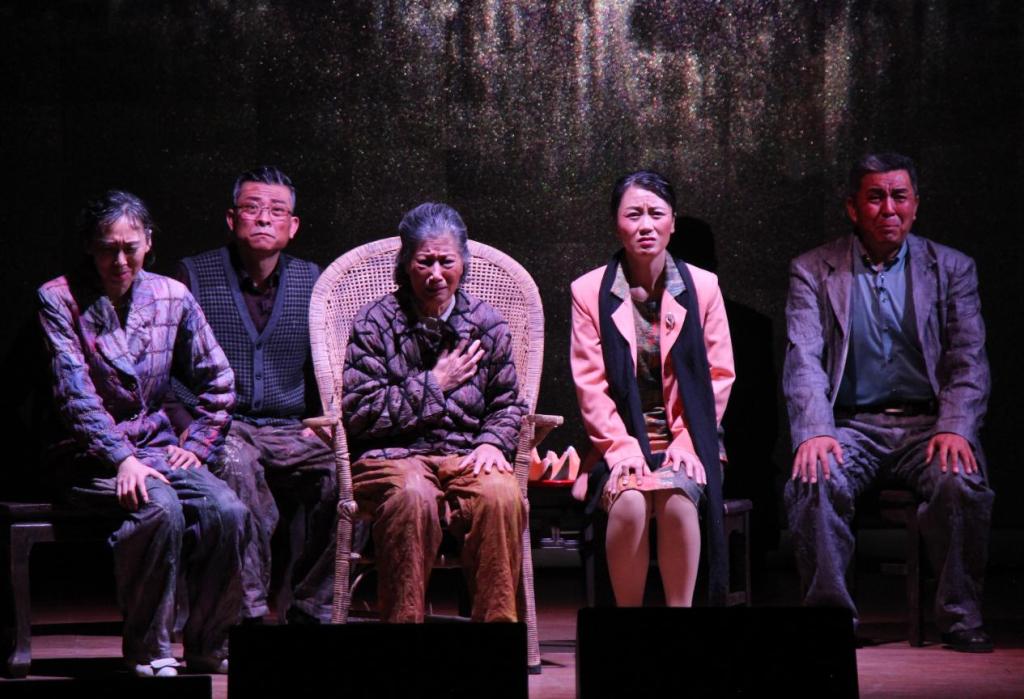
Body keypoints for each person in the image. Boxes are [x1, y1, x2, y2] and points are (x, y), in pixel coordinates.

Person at [784, 153, 995, 652]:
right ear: (853, 208)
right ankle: (830, 620)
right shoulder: (813, 270)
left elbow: (968, 359)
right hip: (851, 426)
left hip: (929, 425)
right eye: (875, 197)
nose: (889, 208)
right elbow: (803, 358)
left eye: (899, 196)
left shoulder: (952, 268)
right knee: (813, 480)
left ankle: (960, 616)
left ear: (915, 205)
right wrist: (815, 431)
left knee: (961, 481)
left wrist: (956, 426)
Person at [37, 191, 247, 676]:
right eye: (108, 248)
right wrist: (121, 459)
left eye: (130, 248)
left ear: (148, 243)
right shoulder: (59, 299)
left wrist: (198, 444)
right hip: (86, 453)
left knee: (227, 510)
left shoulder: (171, 295)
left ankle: (209, 643)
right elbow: (75, 396)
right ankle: (149, 648)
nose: (120, 261)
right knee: (160, 506)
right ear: (89, 247)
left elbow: (218, 378)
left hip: (155, 446)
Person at [342, 202, 527, 622]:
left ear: (463, 263)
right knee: (412, 496)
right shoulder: (376, 323)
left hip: (465, 455)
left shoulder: (487, 323)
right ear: (406, 264)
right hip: (392, 457)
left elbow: (506, 402)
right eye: (425, 262)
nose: (436, 274)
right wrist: (434, 384)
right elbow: (361, 411)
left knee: (501, 495)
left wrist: (493, 442)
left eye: (447, 262)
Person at [172, 166, 336, 624]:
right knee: (237, 466)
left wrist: (324, 421)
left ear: (293, 225)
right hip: (222, 424)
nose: (264, 218)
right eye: (252, 208)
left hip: (289, 428)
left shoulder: (311, 280)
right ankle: (247, 612)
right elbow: (165, 371)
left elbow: (327, 368)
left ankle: (314, 606)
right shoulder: (193, 276)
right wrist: (189, 428)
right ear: (232, 219)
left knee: (346, 475)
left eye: (276, 211)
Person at [570, 170, 735, 606]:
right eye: (634, 215)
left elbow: (719, 375)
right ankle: (630, 629)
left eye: (656, 214)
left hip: (690, 438)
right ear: (616, 224)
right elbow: (590, 385)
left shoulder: (703, 288)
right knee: (629, 502)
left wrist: (688, 440)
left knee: (678, 499)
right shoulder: (588, 291)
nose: (646, 225)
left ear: (672, 223)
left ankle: (678, 627)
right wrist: (621, 449)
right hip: (618, 442)